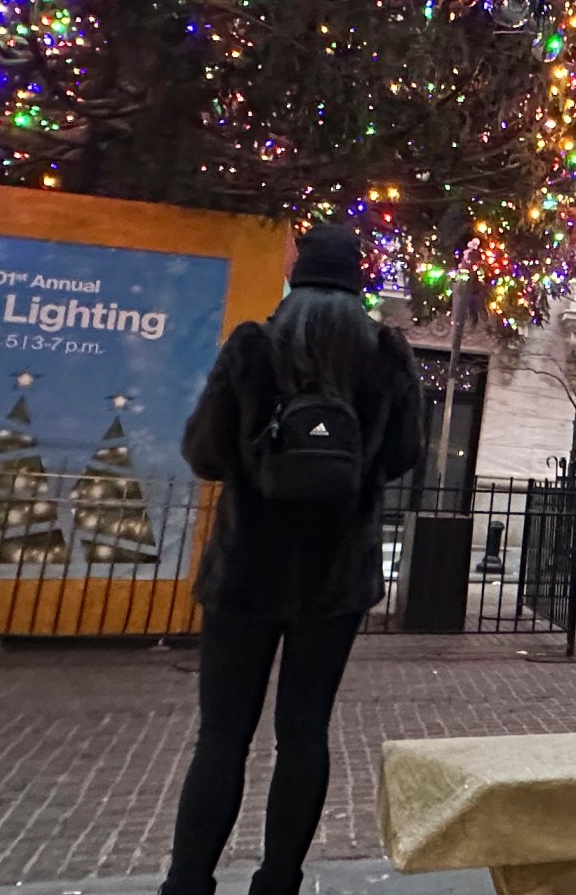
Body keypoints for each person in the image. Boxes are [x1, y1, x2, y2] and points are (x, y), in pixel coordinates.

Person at [161, 225, 425, 895]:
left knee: (221, 737)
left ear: (298, 276)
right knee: (304, 736)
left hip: (246, 569)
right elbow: (401, 456)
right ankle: (278, 881)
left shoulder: (256, 345)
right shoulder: (385, 355)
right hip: (334, 577)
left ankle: (188, 882)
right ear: (357, 279)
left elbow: (205, 454)